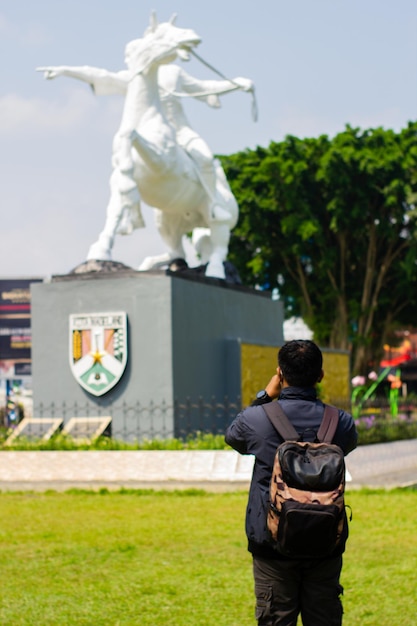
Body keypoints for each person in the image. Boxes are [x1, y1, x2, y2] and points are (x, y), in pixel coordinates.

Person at [225, 340, 358, 626]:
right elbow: (349, 445)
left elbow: (233, 436)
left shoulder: (256, 419)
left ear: (279, 373)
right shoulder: (341, 422)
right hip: (326, 541)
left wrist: (264, 396)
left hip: (271, 543)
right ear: (320, 375)